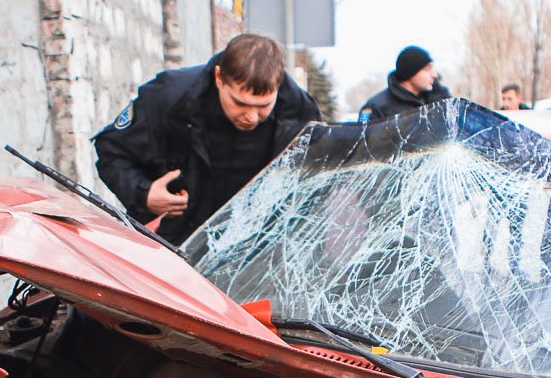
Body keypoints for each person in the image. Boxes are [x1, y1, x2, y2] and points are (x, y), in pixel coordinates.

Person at [93, 33, 320, 244]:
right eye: (240, 103)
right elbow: (111, 152)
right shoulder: (168, 99)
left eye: (263, 106)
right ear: (219, 78)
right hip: (172, 246)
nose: (251, 117)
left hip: (256, 254)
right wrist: (144, 193)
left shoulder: (299, 113)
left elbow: (317, 183)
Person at [359, 46, 451, 122]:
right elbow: (365, 137)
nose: (434, 74)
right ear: (410, 72)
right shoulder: (377, 108)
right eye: (427, 69)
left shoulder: (441, 100)